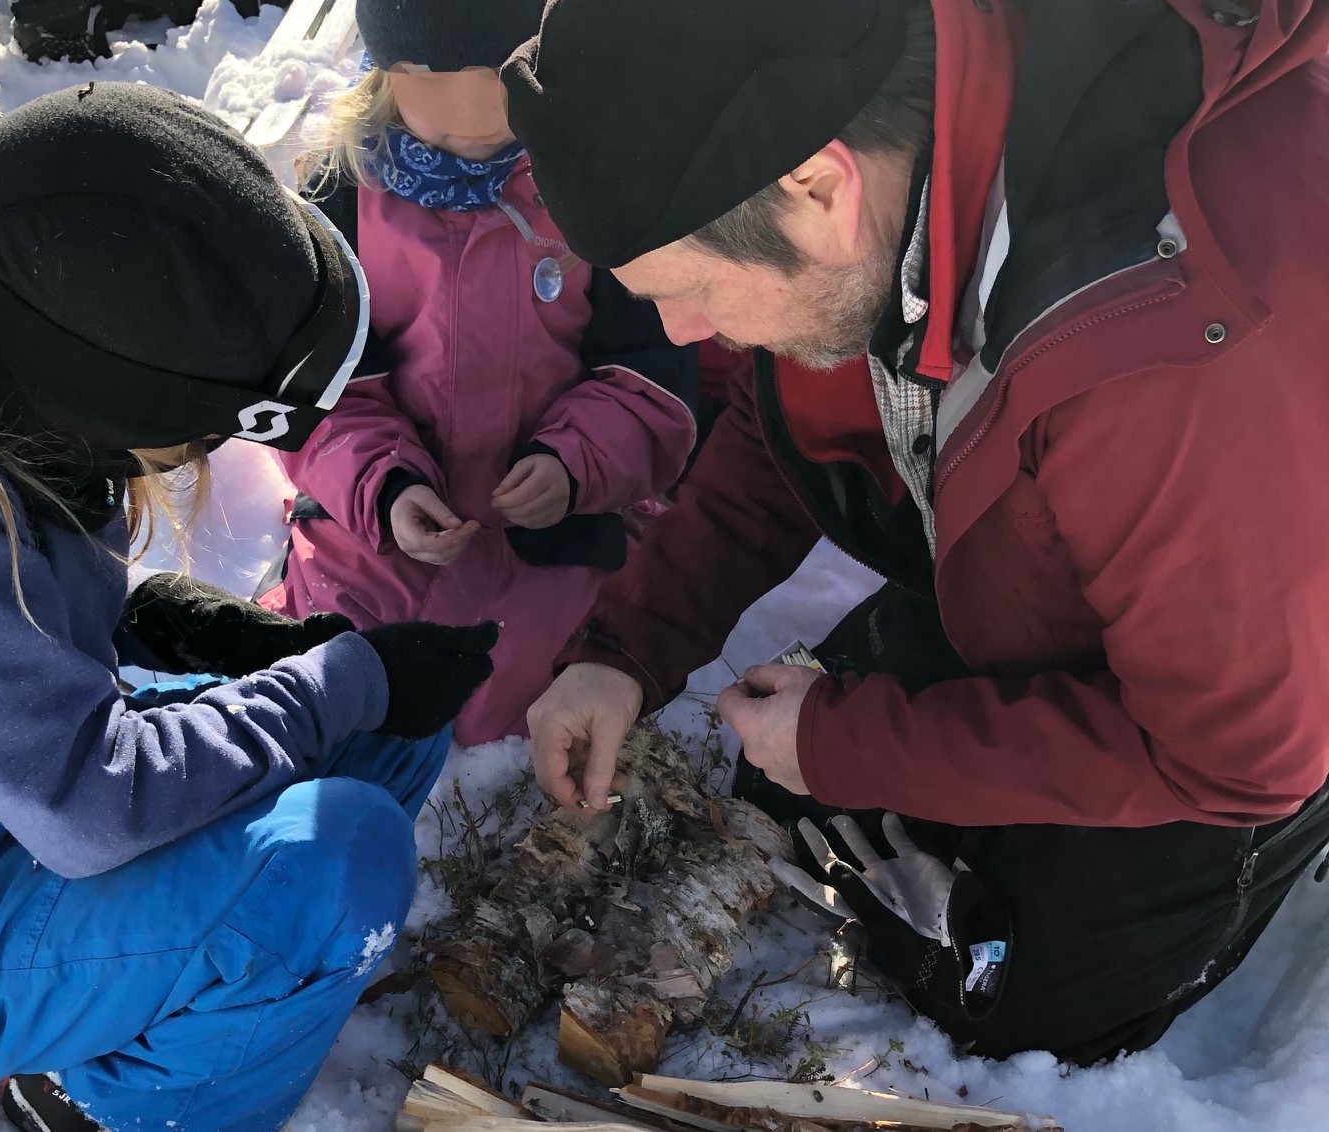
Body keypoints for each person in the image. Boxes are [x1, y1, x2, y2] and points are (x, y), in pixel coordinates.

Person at [509, 0, 1329, 1065]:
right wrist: (624, 650)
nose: (682, 333)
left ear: (818, 184)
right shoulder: (875, 163)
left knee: (1017, 991)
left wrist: (845, 740)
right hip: (1084, 544)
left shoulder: (1152, 352)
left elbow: (1239, 754)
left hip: (1264, 657)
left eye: (693, 287)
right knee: (792, 781)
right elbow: (782, 426)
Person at [0, 82, 498, 1132]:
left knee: (391, 733)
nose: (198, 458)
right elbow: (88, 805)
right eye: (189, 434)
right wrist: (338, 680)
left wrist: (170, 615)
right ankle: (95, 1101)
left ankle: (164, 999)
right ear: (94, 397)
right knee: (339, 849)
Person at [256, 0, 697, 746]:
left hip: (557, 520)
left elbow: (650, 374)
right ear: (389, 75)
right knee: (340, 667)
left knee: (512, 696)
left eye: (499, 82)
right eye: (437, 85)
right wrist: (386, 489)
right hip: (382, 525)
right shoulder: (342, 194)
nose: (477, 117)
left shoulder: (597, 182)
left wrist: (572, 464)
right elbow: (321, 392)